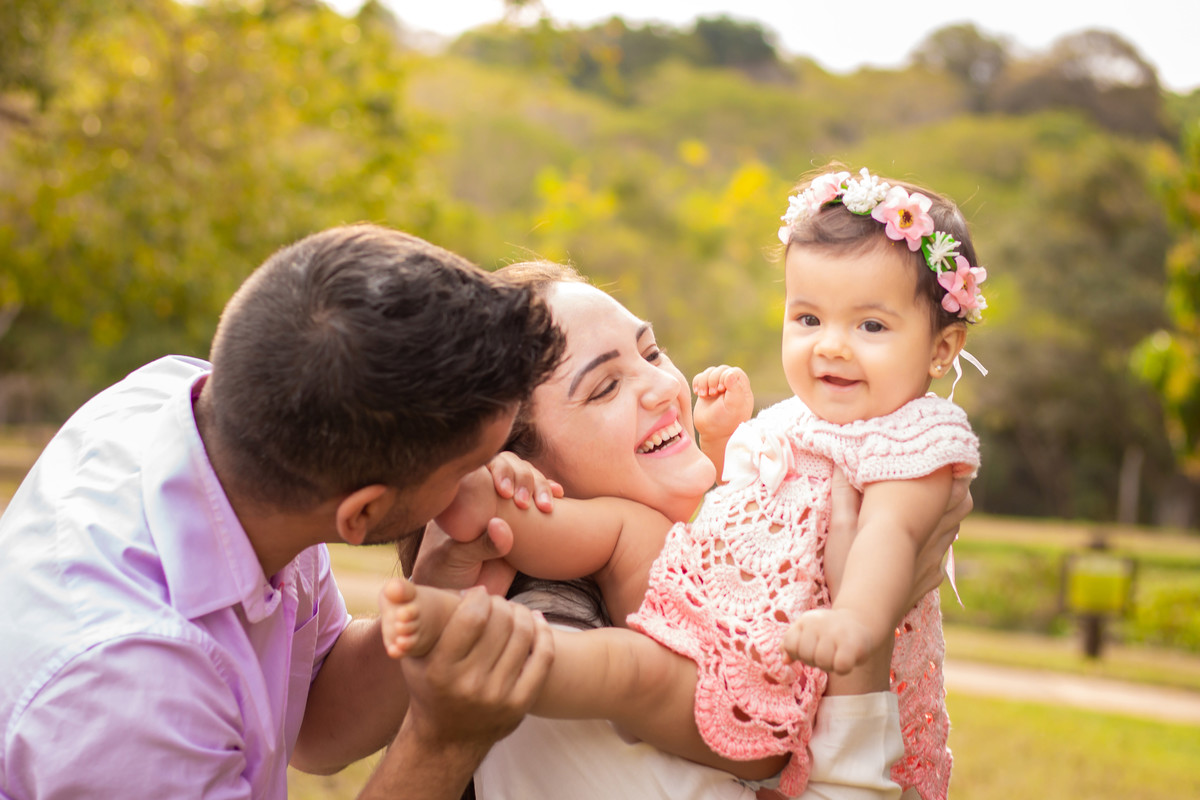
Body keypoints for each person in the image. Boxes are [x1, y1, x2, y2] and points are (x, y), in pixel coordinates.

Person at [391, 165, 986, 798]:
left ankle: (498, 660)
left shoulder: (914, 442)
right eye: (605, 387)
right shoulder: (798, 426)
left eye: (649, 353)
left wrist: (859, 623)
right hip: (726, 632)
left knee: (630, 674)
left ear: (942, 345)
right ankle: (481, 539)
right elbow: (756, 509)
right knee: (624, 579)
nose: (662, 385)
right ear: (527, 463)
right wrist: (728, 439)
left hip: (772, 681)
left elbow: (884, 533)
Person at [0, 224, 569, 800]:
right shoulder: (132, 701)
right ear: (361, 514)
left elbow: (316, 724)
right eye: (461, 469)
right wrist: (443, 740)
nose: (478, 484)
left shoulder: (216, 426)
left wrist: (439, 586)